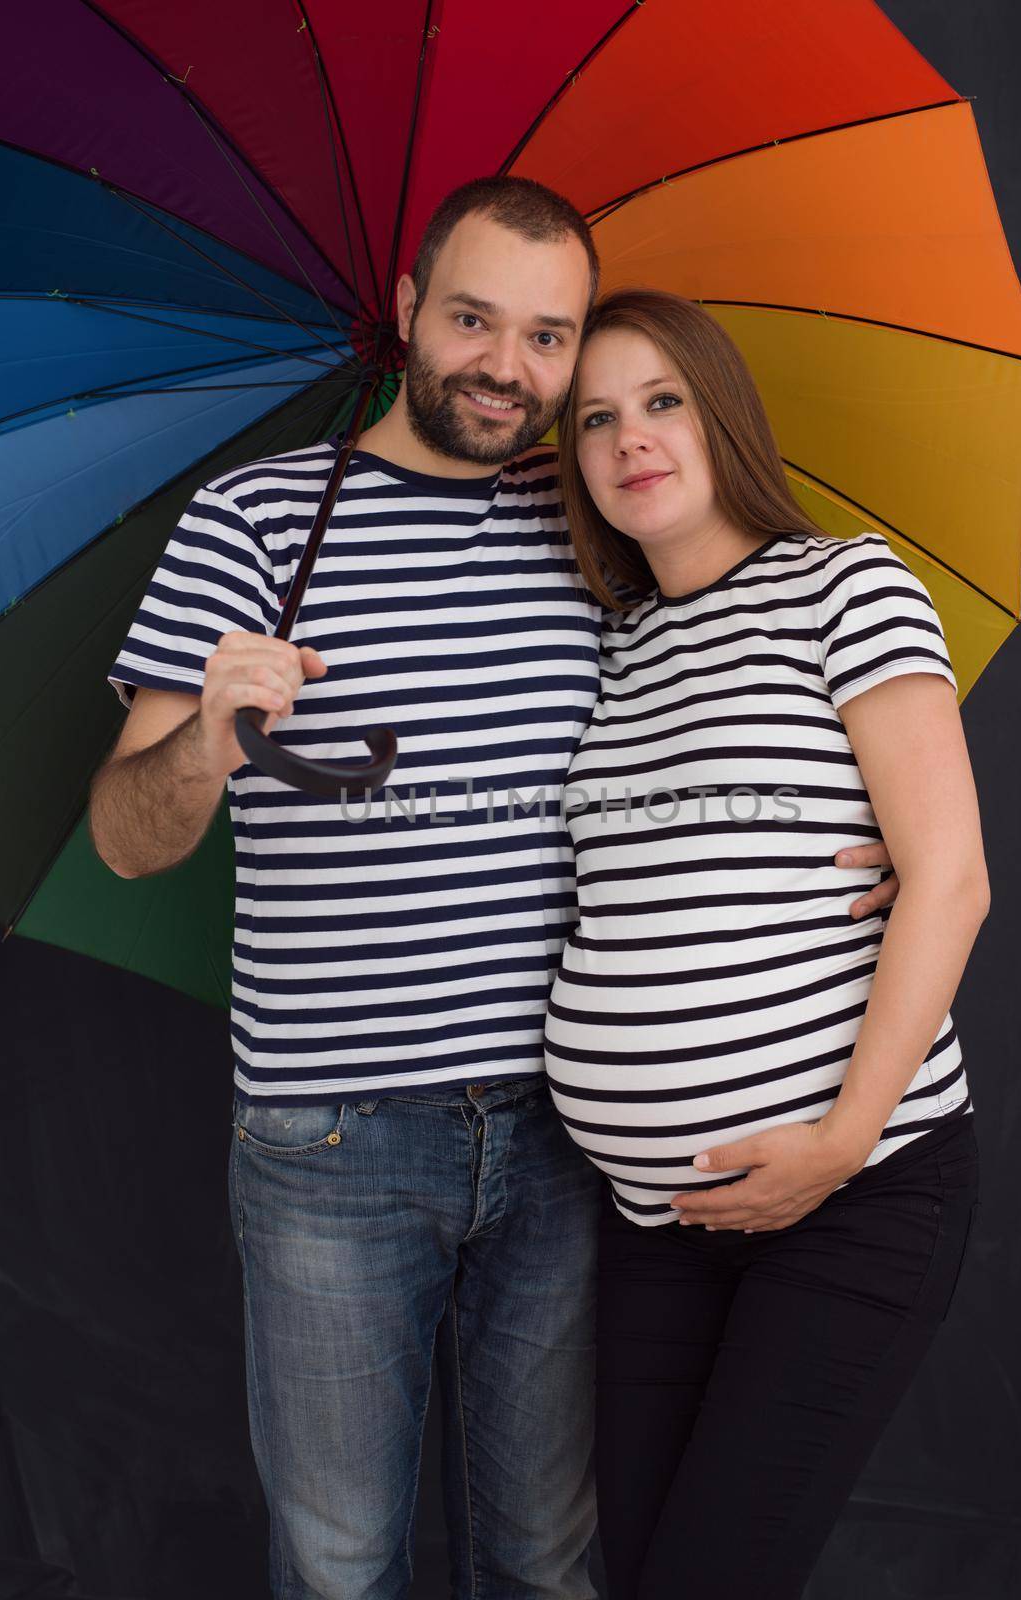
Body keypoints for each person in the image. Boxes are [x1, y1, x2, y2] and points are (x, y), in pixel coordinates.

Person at [88, 178, 900, 1600]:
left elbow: (728, 701)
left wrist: (864, 824)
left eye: (546, 336)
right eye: (472, 319)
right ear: (406, 314)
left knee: (547, 1555)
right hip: (330, 1140)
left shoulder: (596, 512)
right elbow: (124, 839)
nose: (506, 368)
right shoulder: (257, 525)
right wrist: (209, 741)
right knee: (341, 1562)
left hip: (561, 1145)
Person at [546, 288, 989, 1600]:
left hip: (853, 1189)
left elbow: (953, 879)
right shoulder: (612, 648)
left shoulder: (846, 583)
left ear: (720, 413)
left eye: (663, 402)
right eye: (597, 419)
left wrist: (845, 1136)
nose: (633, 439)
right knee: (645, 1574)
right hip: (654, 1221)